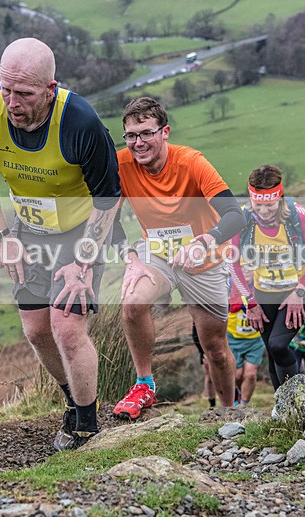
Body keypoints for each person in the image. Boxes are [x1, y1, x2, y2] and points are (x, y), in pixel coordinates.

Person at [0, 38, 121, 450]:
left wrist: (83, 263)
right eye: (6, 90)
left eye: (24, 94)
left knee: (66, 327)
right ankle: (72, 400)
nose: (12, 103)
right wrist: (3, 237)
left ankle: (87, 426)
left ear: (51, 89)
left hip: (82, 229)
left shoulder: (81, 122)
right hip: (29, 230)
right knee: (36, 330)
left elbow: (108, 199)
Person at [112, 96, 246, 420]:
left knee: (214, 348)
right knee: (133, 302)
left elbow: (235, 215)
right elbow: (107, 219)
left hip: (204, 260)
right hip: (157, 254)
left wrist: (205, 241)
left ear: (165, 132)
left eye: (146, 133)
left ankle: (229, 412)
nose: (138, 143)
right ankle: (144, 385)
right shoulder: (120, 164)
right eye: (131, 135)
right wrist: (132, 259)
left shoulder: (192, 163)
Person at [229, 164, 305, 392]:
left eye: (270, 205)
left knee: (278, 345)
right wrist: (250, 301)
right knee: (273, 352)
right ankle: (282, 406)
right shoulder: (242, 220)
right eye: (258, 205)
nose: (264, 211)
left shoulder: (299, 216)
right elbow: (232, 263)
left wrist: (299, 291)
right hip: (264, 292)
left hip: (299, 290)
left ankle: (298, 398)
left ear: (280, 199)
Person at [227, 296, 265, 407]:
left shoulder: (258, 291)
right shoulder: (232, 291)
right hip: (234, 339)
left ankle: (243, 405)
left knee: (251, 374)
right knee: (237, 375)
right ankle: (237, 393)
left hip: (255, 340)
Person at [191, 322, 216, 408]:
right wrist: (203, 353)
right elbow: (195, 336)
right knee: (209, 375)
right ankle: (212, 404)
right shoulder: (198, 319)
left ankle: (234, 400)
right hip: (205, 351)